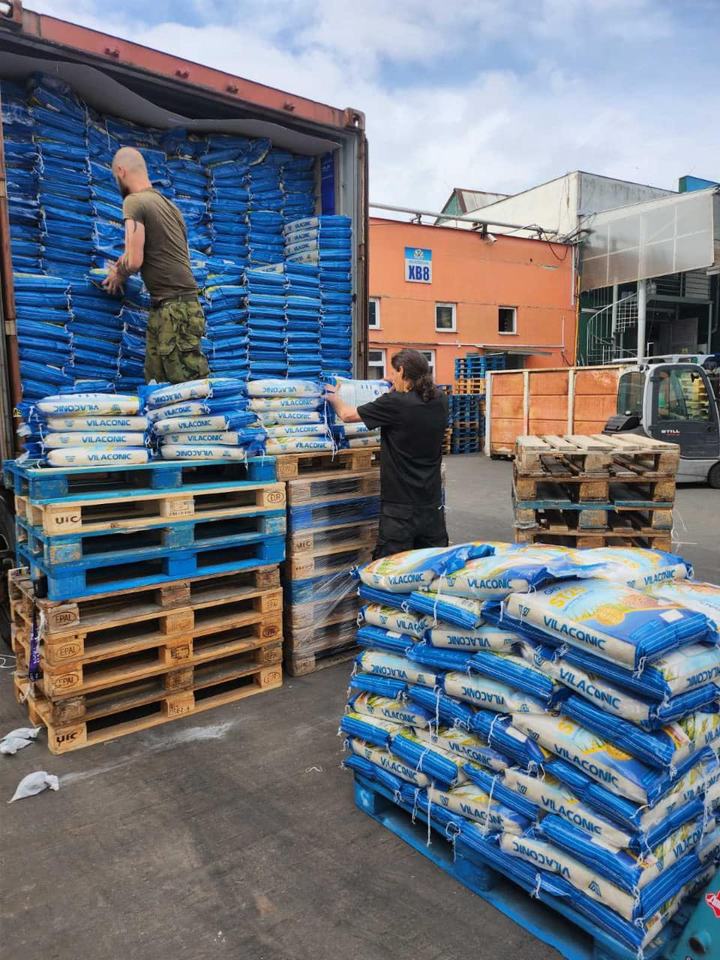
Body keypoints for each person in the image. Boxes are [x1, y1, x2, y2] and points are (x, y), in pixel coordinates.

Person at [326, 348, 449, 558]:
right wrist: (396, 389)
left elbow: (347, 415)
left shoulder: (394, 404)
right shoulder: (440, 400)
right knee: (430, 561)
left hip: (400, 507)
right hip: (431, 503)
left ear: (401, 371)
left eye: (393, 372)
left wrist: (334, 397)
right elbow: (412, 405)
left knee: (391, 565)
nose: (391, 376)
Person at [102, 146, 209, 384]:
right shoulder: (171, 207)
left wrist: (119, 273)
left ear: (121, 171)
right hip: (171, 306)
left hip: (175, 309)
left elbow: (134, 261)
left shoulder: (134, 202)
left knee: (185, 388)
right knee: (157, 386)